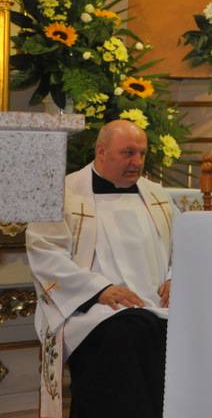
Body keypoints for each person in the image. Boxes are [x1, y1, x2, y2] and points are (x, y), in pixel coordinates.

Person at [26, 120, 176, 418]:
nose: (137, 162)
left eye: (142, 154)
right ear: (101, 151)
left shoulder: (158, 196)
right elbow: (45, 252)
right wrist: (99, 290)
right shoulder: (62, 193)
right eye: (128, 153)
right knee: (128, 331)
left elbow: (182, 247)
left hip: (155, 304)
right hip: (91, 309)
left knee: (157, 327)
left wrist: (175, 279)